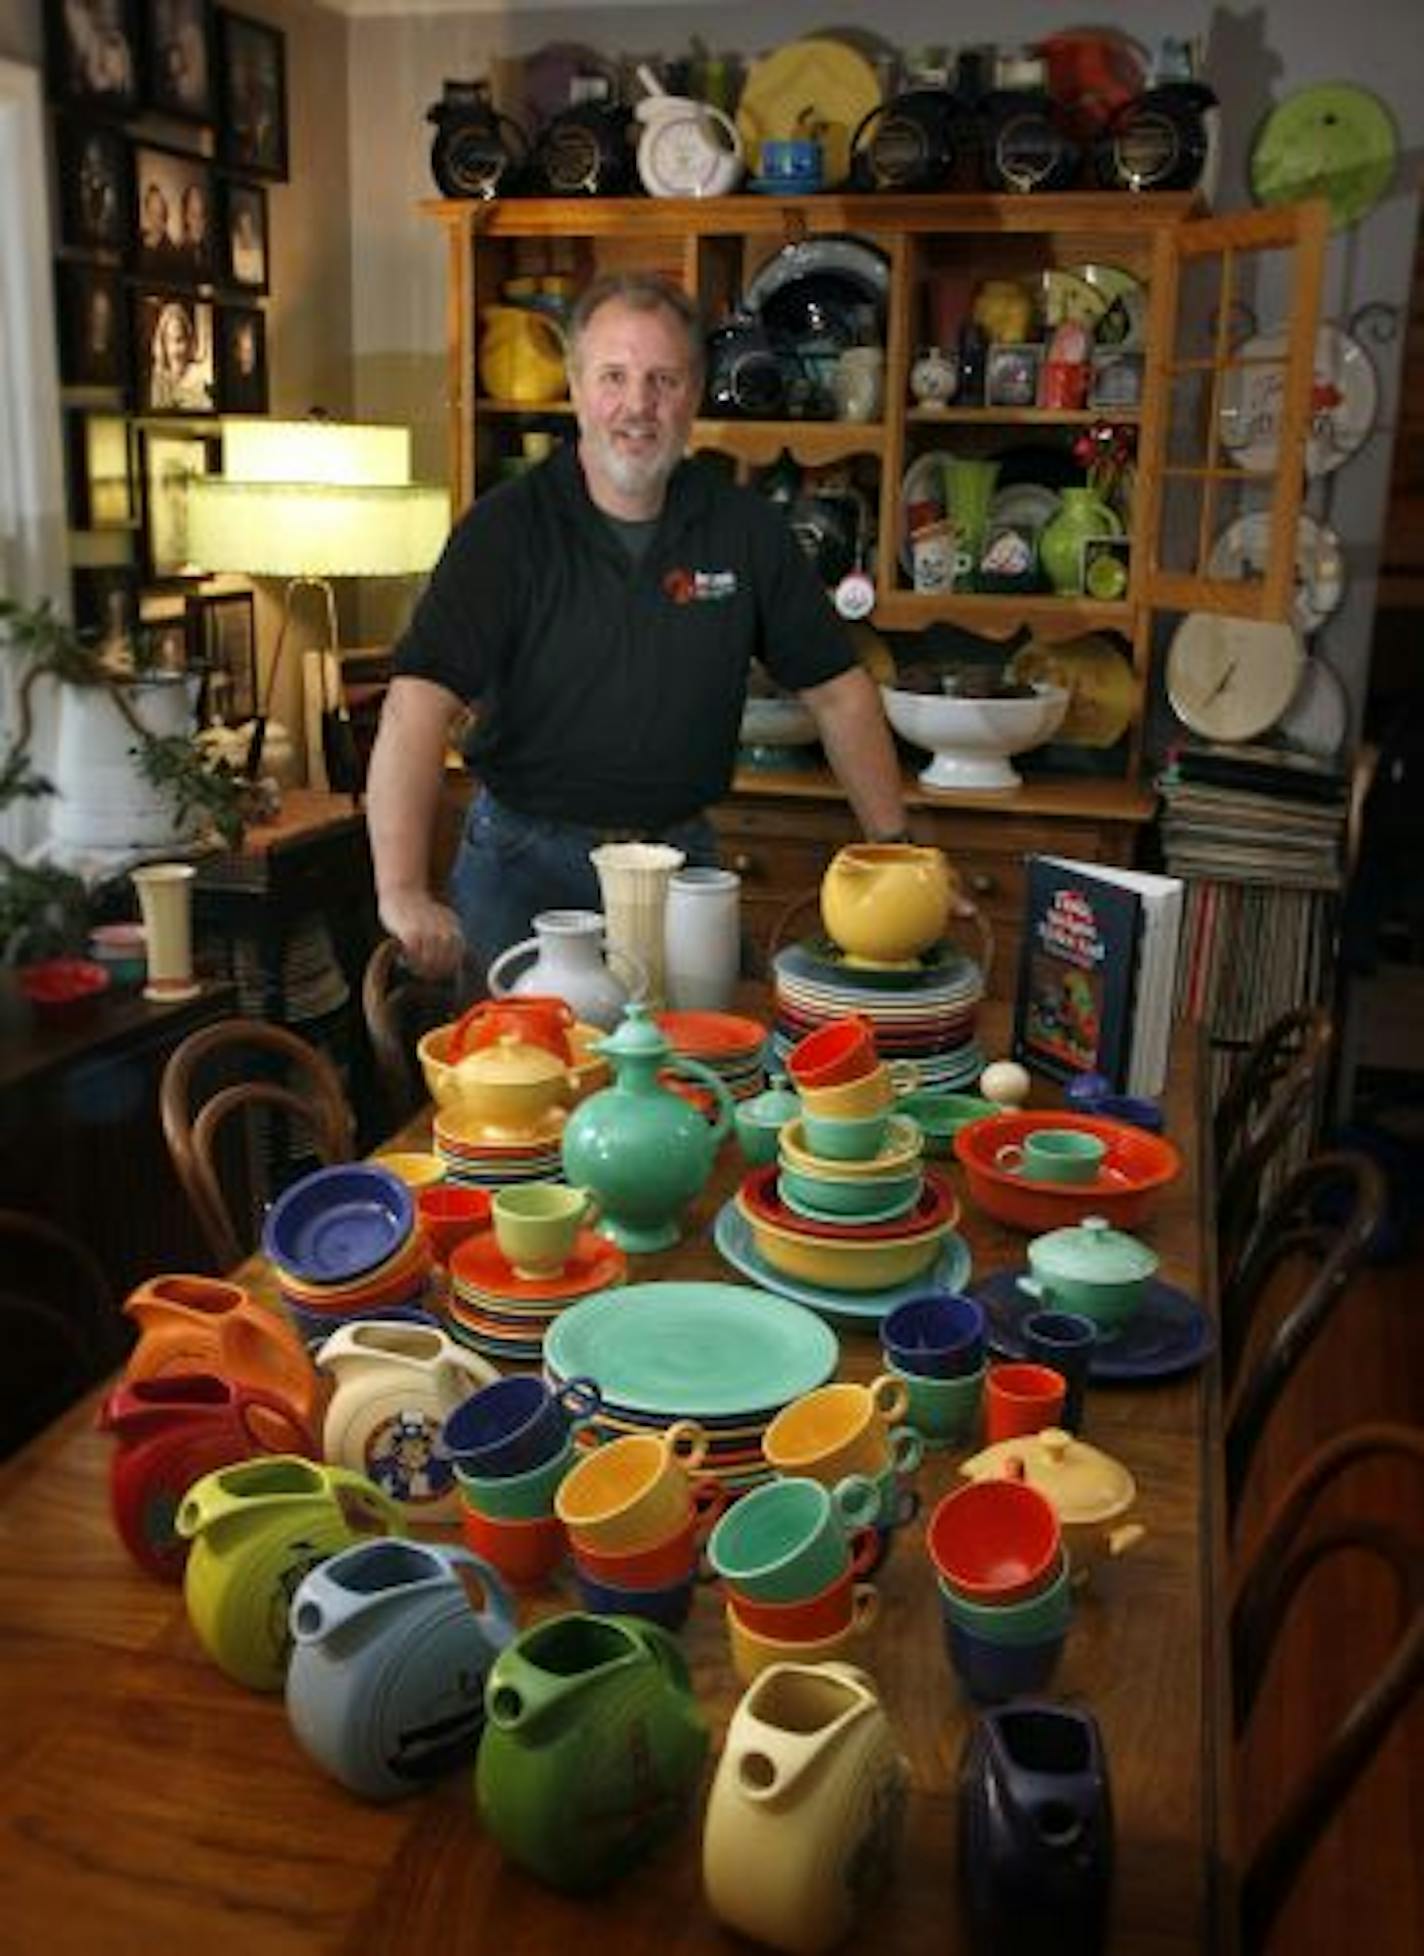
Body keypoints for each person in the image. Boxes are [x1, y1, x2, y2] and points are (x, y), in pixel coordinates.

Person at [367, 270, 910, 984]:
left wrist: (897, 851)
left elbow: (840, 693)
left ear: (696, 391)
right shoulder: (504, 531)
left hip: (680, 864)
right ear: (575, 384)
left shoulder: (744, 528)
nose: (637, 406)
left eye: (664, 380)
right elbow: (417, 705)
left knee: (713, 1078)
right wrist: (402, 892)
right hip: (523, 865)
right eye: (614, 376)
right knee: (521, 1087)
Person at [148, 299, 211, 411]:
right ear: (163, 344)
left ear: (189, 341)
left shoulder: (199, 374)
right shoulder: (158, 376)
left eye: (180, 340)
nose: (175, 350)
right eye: (170, 341)